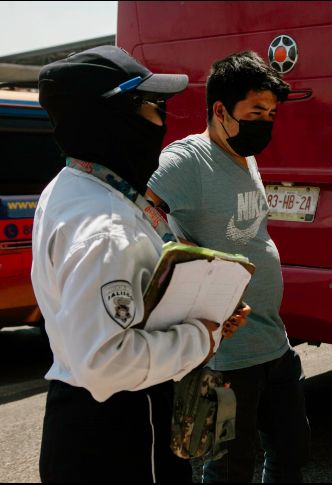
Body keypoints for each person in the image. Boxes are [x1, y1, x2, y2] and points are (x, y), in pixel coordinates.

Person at [32, 45, 248, 483]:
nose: (163, 123)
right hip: (120, 430)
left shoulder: (75, 185)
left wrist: (202, 312)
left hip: (92, 420)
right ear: (111, 118)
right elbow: (106, 363)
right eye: (153, 107)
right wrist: (199, 337)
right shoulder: (104, 229)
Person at [147, 51, 311, 483]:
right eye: (256, 111)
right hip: (226, 356)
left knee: (291, 449)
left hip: (274, 343)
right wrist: (186, 266)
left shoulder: (244, 155)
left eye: (271, 113)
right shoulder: (187, 160)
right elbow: (139, 210)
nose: (266, 122)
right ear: (219, 109)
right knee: (229, 470)